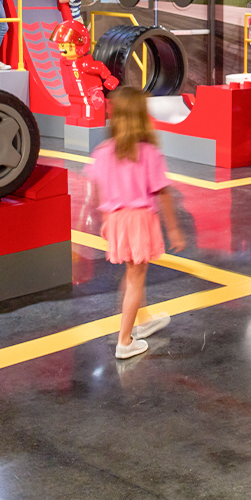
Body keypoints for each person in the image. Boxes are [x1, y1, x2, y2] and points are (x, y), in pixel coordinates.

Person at [88, 86, 187, 361]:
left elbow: (99, 189)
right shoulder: (148, 152)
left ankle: (142, 321)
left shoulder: (103, 151)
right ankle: (125, 341)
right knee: (135, 278)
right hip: (139, 220)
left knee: (133, 274)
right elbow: (162, 192)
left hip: (116, 219)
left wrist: (107, 220)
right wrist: (175, 229)